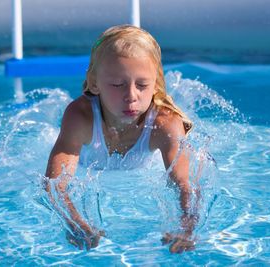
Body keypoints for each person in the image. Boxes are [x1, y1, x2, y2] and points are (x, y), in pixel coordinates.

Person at [45, 25, 197, 254]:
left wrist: (186, 227)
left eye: (143, 85)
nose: (131, 96)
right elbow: (54, 185)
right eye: (117, 85)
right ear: (94, 83)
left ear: (155, 83)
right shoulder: (80, 118)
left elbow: (185, 185)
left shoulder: (165, 124)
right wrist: (76, 223)